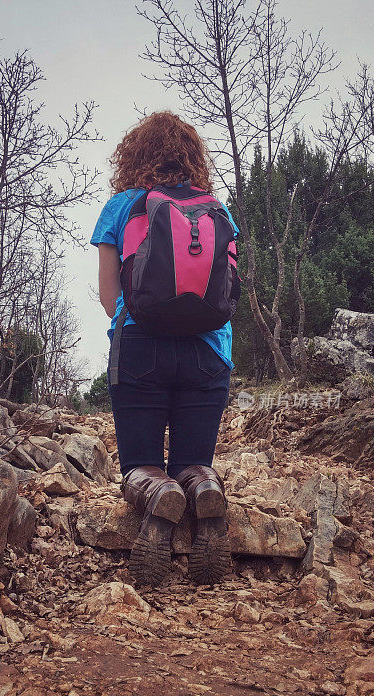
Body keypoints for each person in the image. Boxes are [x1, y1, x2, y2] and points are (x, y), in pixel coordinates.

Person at [91, 111, 238, 587]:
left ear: (134, 156)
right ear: (193, 158)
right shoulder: (218, 209)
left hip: (140, 347)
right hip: (208, 352)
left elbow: (110, 295)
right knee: (196, 460)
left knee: (141, 463)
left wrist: (136, 324)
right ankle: (206, 489)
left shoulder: (122, 205)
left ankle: (157, 494)